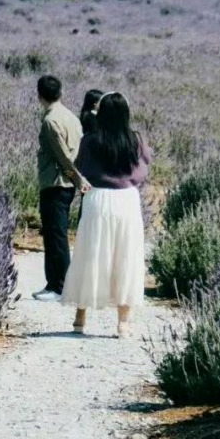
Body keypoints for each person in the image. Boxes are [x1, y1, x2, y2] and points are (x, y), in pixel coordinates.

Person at [62, 91, 150, 338]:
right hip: (126, 200)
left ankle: (80, 317)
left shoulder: (90, 140)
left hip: (97, 198)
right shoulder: (135, 140)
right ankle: (123, 323)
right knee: (126, 257)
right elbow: (143, 171)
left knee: (89, 255)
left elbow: (79, 167)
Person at [33, 75, 84, 303]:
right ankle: (54, 284)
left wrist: (78, 179)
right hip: (64, 184)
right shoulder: (71, 117)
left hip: (56, 183)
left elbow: (63, 157)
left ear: (39, 95)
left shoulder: (50, 121)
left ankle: (59, 286)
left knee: (56, 236)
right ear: (60, 93)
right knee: (56, 234)